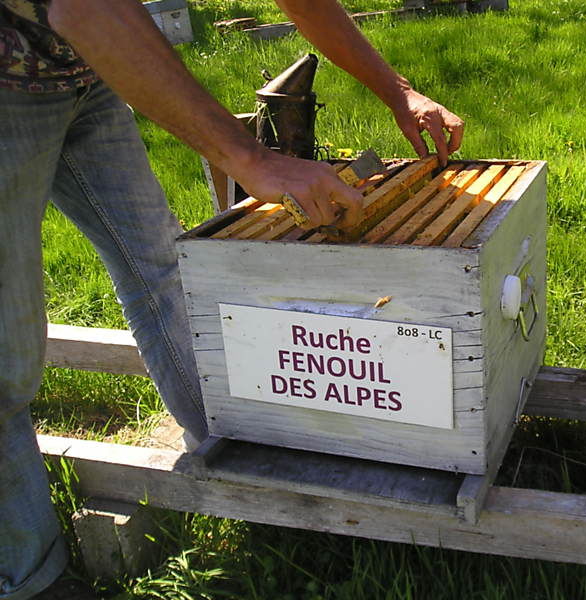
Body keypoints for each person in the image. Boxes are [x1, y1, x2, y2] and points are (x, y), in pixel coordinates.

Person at [0, 0, 464, 597]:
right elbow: (86, 7)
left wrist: (398, 90)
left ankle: (231, 447)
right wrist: (251, 159)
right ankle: (26, 575)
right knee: (7, 358)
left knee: (164, 268)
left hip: (84, 72)